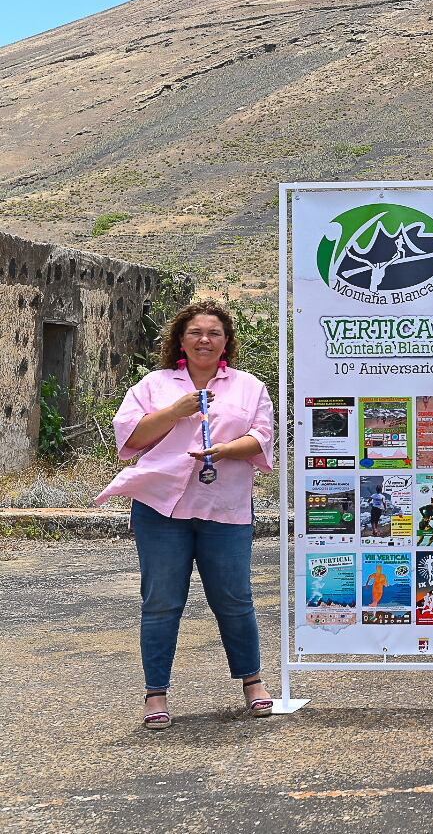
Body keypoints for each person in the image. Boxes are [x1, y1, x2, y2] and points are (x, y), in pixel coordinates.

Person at [95, 301, 276, 729]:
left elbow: (262, 438)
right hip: (160, 508)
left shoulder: (250, 386)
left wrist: (224, 451)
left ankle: (253, 682)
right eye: (195, 332)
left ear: (227, 341)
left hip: (224, 506)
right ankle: (155, 694)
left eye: (214, 333)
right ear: (180, 339)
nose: (205, 340)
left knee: (233, 599)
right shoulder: (154, 385)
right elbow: (132, 438)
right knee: (161, 602)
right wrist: (177, 410)